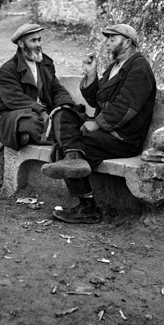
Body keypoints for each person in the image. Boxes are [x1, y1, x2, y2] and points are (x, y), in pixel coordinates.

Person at [41, 23, 157, 224]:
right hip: (106, 133)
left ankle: (87, 208)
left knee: (67, 146)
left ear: (127, 42)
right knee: (63, 114)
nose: (107, 43)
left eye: (113, 39)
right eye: (107, 39)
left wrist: (99, 123)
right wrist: (91, 75)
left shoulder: (139, 67)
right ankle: (74, 158)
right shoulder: (115, 67)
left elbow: (126, 107)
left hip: (122, 138)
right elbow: (97, 100)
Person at [0, 23, 76, 151]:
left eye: (39, 40)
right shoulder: (6, 71)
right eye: (33, 41)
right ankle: (56, 137)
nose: (38, 44)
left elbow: (56, 89)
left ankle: (31, 136)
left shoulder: (45, 64)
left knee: (70, 115)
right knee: (31, 122)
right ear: (21, 44)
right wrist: (41, 111)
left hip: (45, 113)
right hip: (12, 114)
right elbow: (15, 99)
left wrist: (65, 104)